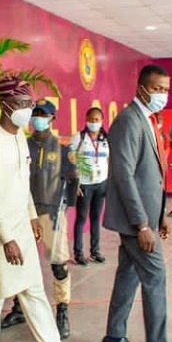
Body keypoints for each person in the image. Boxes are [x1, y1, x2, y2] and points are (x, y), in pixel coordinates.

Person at [0, 75, 88, 342]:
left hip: (21, 224)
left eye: (29, 103)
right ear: (5, 104)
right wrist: (6, 237)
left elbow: (23, 185)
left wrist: (33, 216)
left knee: (33, 287)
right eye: (21, 103)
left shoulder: (18, 138)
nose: (26, 109)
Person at [102, 64, 172, 342]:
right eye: (157, 89)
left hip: (147, 216)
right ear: (142, 89)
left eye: (166, 89)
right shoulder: (128, 120)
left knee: (129, 274)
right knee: (155, 276)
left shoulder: (147, 119)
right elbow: (123, 175)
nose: (163, 94)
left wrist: (159, 215)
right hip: (135, 222)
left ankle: (114, 336)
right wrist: (143, 224)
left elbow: (151, 174)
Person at [27, 99, 79, 339]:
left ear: (52, 118)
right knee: (22, 262)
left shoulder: (62, 150)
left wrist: (66, 206)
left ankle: (63, 309)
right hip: (25, 212)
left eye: (43, 114)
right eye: (36, 113)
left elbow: (74, 178)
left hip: (51, 213)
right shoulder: (22, 145)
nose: (38, 118)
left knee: (58, 263)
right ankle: (18, 308)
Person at [71, 107, 110, 266]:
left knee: (96, 218)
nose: (94, 122)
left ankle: (95, 252)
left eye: (97, 120)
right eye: (91, 120)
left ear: (102, 121)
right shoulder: (79, 138)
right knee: (81, 218)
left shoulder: (105, 139)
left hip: (101, 184)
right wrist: (75, 183)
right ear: (86, 120)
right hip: (85, 185)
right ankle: (78, 253)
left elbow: (109, 160)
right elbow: (70, 159)